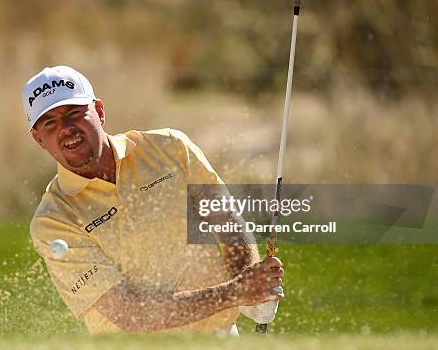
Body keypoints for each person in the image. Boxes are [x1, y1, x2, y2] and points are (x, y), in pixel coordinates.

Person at [23, 66, 284, 334]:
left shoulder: (170, 148)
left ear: (99, 111)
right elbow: (130, 314)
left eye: (74, 113)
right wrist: (236, 292)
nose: (66, 128)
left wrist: (254, 282)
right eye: (49, 123)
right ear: (38, 139)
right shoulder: (53, 220)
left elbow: (226, 222)